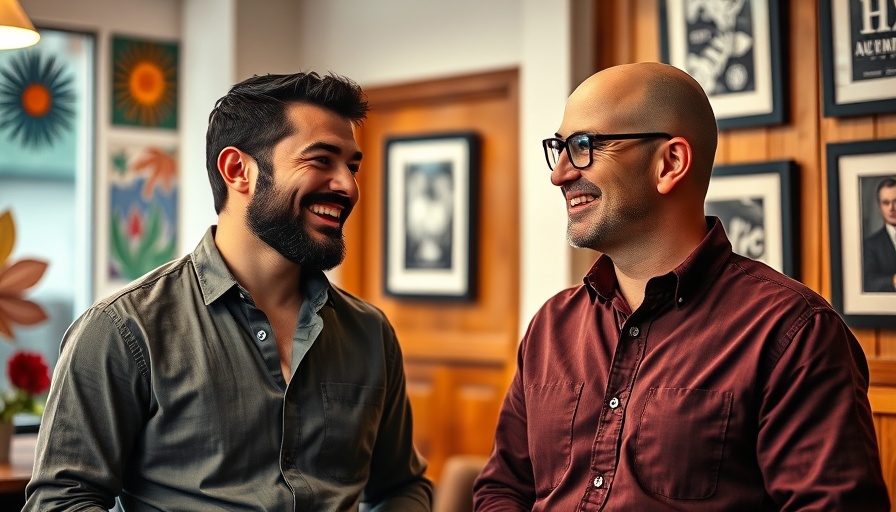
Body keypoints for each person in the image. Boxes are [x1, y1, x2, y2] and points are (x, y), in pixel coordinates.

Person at [473, 62, 889, 511]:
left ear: (669, 163)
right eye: (559, 148)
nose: (559, 174)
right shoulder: (551, 326)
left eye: (583, 146)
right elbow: (503, 489)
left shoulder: (793, 333)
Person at [25, 72, 433, 511]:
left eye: (351, 166)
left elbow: (401, 486)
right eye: (321, 160)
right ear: (238, 170)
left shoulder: (370, 333)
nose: (349, 186)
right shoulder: (123, 331)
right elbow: (61, 502)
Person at [863, 177, 896, 293]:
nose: (892, 208)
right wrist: (892, 281)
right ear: (879, 206)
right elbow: (868, 282)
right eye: (886, 203)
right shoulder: (871, 244)